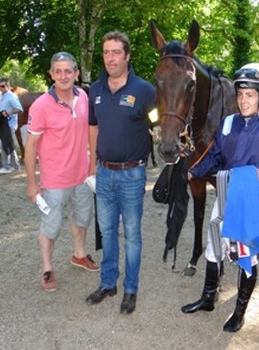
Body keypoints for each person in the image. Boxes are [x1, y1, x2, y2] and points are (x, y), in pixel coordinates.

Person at [179, 63, 259, 333]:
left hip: (248, 203)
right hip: (225, 194)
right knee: (213, 247)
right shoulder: (227, 124)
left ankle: (239, 313)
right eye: (240, 94)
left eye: (250, 95)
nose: (243, 100)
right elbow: (215, 156)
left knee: (245, 256)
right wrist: (193, 172)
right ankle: (208, 298)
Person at [86, 31, 155, 314]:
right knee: (107, 231)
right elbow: (93, 127)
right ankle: (107, 283)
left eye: (116, 52)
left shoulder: (144, 90)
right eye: (106, 52)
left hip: (132, 175)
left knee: (132, 234)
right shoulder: (95, 90)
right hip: (103, 173)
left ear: (127, 56)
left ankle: (130, 289)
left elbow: (157, 123)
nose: (111, 58)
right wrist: (92, 165)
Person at [24, 51, 98, 292]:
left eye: (68, 71)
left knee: (83, 218)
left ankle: (79, 254)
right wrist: (32, 184)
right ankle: (47, 269)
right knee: (51, 225)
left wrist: (92, 163)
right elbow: (31, 146)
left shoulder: (84, 97)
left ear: (76, 73)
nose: (63, 76)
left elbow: (90, 131)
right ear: (51, 74)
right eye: (58, 71)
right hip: (55, 180)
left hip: (82, 176)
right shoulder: (41, 105)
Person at [0, 78, 23, 174]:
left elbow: (19, 108)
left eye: (2, 86)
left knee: (5, 144)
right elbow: (2, 106)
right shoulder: (3, 96)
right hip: (5, 124)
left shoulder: (11, 96)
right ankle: (15, 166)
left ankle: (6, 167)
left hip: (10, 124)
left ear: (8, 86)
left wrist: (8, 113)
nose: (0, 88)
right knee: (9, 144)